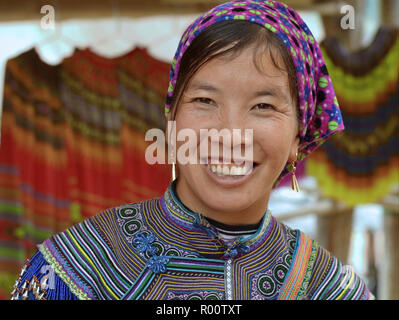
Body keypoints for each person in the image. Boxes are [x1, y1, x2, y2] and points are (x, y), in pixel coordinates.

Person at [11, 0, 373, 300]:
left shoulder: (327, 287)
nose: (231, 134)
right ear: (172, 122)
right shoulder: (74, 272)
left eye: (264, 106)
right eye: (204, 100)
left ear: (299, 134)